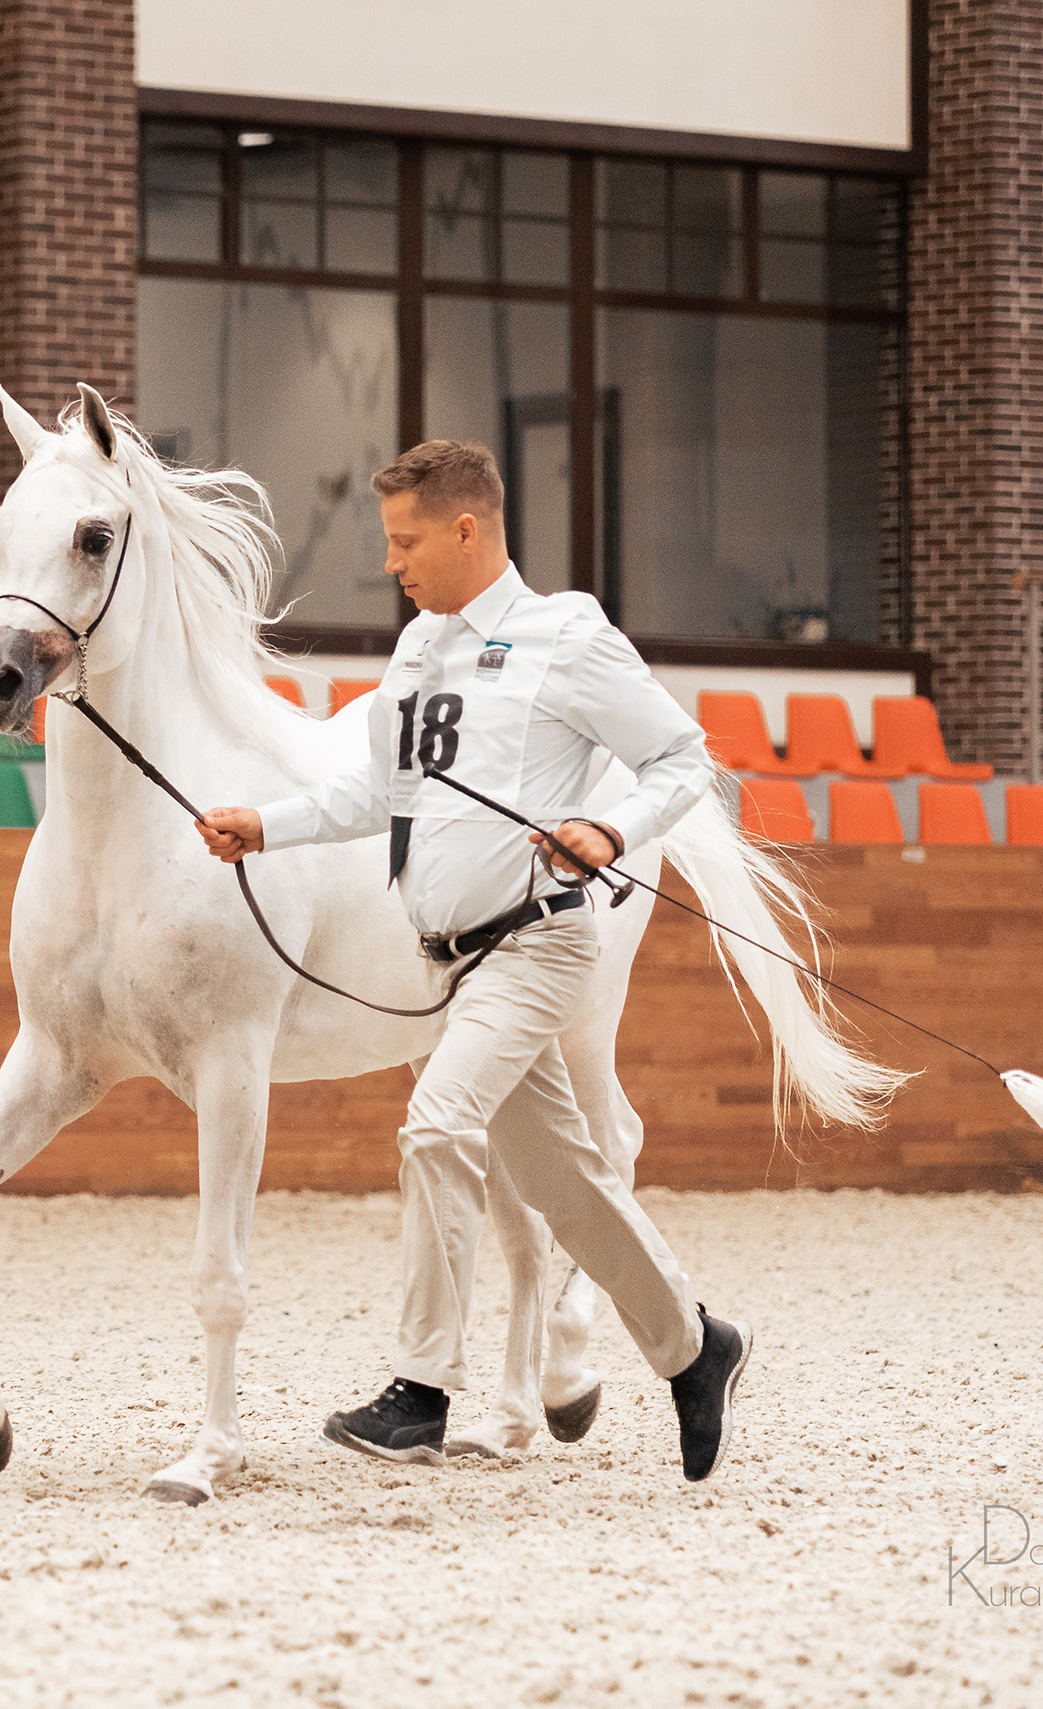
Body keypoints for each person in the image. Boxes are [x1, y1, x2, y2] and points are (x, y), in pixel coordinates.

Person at [196, 439, 754, 1484]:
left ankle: (419, 1389)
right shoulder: (415, 650)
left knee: (435, 1124)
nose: (393, 560)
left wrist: (612, 831)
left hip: (537, 940)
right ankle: (696, 1345)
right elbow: (374, 799)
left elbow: (682, 758)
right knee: (564, 1180)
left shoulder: (566, 636)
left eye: (406, 540)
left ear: (466, 528)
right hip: (445, 963)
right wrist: (262, 826)